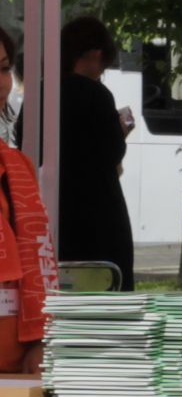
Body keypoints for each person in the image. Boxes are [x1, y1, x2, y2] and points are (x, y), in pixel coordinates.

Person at [56, 15, 134, 287]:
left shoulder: (42, 91)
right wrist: (121, 132)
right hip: (98, 212)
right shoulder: (97, 95)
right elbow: (111, 152)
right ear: (96, 55)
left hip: (52, 210)